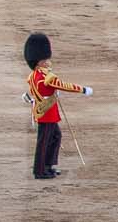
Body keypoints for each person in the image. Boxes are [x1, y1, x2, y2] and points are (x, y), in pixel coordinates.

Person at [24, 32, 91, 180]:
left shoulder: (33, 76)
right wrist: (83, 90)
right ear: (40, 61)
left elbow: (31, 93)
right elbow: (65, 86)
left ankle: (47, 166)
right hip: (47, 111)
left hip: (42, 110)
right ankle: (40, 170)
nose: (47, 61)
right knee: (45, 140)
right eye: (45, 59)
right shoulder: (46, 77)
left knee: (54, 136)